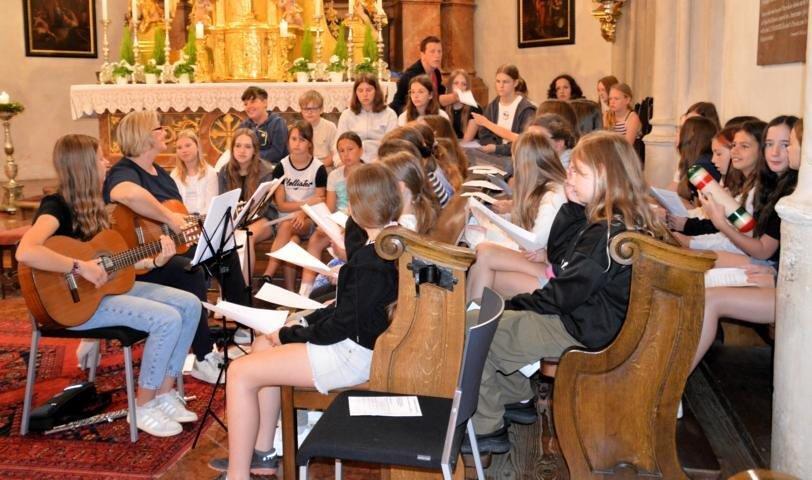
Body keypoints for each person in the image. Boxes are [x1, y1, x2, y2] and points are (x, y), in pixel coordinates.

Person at [465, 131, 667, 454]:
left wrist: (514, 305)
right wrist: (572, 205)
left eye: (578, 172)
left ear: (605, 176)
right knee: (491, 320)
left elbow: (562, 294)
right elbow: (560, 258)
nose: (568, 176)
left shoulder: (606, 234)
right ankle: (513, 397)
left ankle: (487, 428)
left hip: (579, 329)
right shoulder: (608, 221)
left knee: (476, 329)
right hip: (585, 321)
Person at [208, 163, 401, 480]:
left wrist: (289, 335)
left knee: (239, 372)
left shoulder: (370, 262)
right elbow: (345, 310)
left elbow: (339, 327)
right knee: (261, 345)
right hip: (356, 346)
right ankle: (263, 454)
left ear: (358, 208)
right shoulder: (385, 245)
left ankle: (237, 475)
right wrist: (293, 328)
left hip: (350, 356)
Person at [17, 134, 200, 437]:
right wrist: (79, 267)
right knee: (166, 319)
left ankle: (164, 394)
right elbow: (26, 251)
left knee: (190, 304)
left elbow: (115, 263)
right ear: (84, 166)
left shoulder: (98, 205)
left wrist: (155, 260)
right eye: (101, 157)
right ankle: (143, 406)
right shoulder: (56, 206)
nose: (106, 163)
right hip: (72, 305)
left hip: (103, 292)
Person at [103, 110, 248, 385]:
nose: (165, 133)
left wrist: (191, 226)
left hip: (170, 250)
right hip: (141, 262)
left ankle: (243, 326)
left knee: (225, 253)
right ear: (144, 136)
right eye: (159, 129)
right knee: (190, 270)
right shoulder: (124, 170)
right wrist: (169, 218)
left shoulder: (161, 174)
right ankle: (203, 356)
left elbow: (179, 220)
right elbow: (125, 194)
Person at [688, 117, 802, 376]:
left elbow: (763, 250)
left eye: (786, 144)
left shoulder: (793, 192)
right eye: (769, 144)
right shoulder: (774, 185)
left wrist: (721, 222)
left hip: (789, 287)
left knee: (710, 297)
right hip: (775, 273)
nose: (775, 152)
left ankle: (669, 385)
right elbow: (764, 244)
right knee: (700, 269)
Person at [466, 131, 567, 301]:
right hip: (545, 263)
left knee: (482, 262)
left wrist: (500, 221)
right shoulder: (546, 188)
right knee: (483, 257)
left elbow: (535, 241)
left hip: (553, 272)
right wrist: (495, 219)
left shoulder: (554, 194)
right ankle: (471, 314)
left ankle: (470, 314)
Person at [261, 121, 328, 290]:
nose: (297, 144)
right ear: (288, 141)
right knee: (291, 242)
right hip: (285, 221)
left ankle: (268, 274)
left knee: (287, 226)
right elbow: (282, 205)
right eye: (293, 139)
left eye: (302, 140)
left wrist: (303, 212)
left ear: (310, 143)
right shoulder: (281, 167)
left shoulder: (318, 168)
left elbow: (320, 202)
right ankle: (291, 293)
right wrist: (307, 203)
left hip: (308, 220)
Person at [300, 131, 364, 297]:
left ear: (361, 150)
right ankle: (305, 290)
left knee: (347, 238)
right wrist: (327, 225)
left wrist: (348, 225)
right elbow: (329, 208)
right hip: (338, 220)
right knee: (316, 238)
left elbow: (368, 208)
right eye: (341, 151)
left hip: (359, 222)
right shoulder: (335, 175)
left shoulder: (368, 173)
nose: (346, 154)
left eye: (350, 149)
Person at [217, 128, 276, 285]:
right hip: (234, 221)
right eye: (238, 146)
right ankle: (226, 291)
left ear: (254, 150)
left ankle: (244, 288)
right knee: (222, 240)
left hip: (262, 219)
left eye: (247, 146)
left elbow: (263, 208)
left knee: (245, 236)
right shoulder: (225, 171)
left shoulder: (265, 171)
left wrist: (240, 223)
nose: (242, 151)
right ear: (232, 149)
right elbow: (223, 204)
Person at [470, 64, 537, 172]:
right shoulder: (492, 106)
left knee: (505, 166)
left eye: (505, 82)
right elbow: (484, 135)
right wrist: (492, 147)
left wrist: (497, 148)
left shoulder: (526, 109)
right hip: (494, 155)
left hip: (516, 157)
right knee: (468, 156)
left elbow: (525, 142)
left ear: (515, 83)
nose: (501, 86)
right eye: (498, 81)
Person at [335, 73, 398, 163]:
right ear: (355, 93)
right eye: (360, 90)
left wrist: (380, 161)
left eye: (369, 90)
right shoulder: (347, 115)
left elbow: (392, 144)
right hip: (353, 162)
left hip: (381, 161)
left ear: (376, 91)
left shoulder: (389, 114)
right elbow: (339, 143)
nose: (365, 94)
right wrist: (340, 162)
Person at [389, 35, 457, 114]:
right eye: (432, 51)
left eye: (439, 51)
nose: (437, 55)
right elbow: (397, 105)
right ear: (422, 55)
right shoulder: (411, 76)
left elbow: (435, 98)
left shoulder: (436, 73)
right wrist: (454, 97)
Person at [379, 150, 441, 234]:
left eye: (383, 185)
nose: (380, 191)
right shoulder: (422, 211)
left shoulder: (401, 230)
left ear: (400, 187)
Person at [669, 116, 719, 203]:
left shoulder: (705, 165)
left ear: (690, 137)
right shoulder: (693, 161)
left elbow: (703, 207)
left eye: (680, 130)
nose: (676, 135)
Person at [170, 129, 218, 215]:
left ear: (197, 146)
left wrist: (196, 220)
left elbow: (211, 206)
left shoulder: (210, 173)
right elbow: (174, 204)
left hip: (204, 219)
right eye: (179, 147)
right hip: (181, 219)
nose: (184, 150)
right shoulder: (174, 175)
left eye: (188, 145)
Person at [239, 86, 289, 165]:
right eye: (245, 104)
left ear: (265, 103)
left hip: (273, 166)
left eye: (253, 102)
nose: (248, 107)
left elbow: (277, 152)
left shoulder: (277, 123)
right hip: (249, 166)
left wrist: (251, 156)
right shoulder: (244, 125)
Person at [298, 90, 337, 169]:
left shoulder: (330, 127)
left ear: (321, 109)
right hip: (303, 166)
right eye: (306, 109)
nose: (309, 112)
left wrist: (317, 167)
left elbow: (335, 153)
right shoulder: (297, 128)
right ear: (301, 110)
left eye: (314, 108)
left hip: (325, 166)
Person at [444, 69, 482, 140]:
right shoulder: (443, 107)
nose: (460, 87)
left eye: (464, 84)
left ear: (467, 88)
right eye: (456, 83)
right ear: (450, 86)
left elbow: (466, 141)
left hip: (468, 145)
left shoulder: (475, 108)